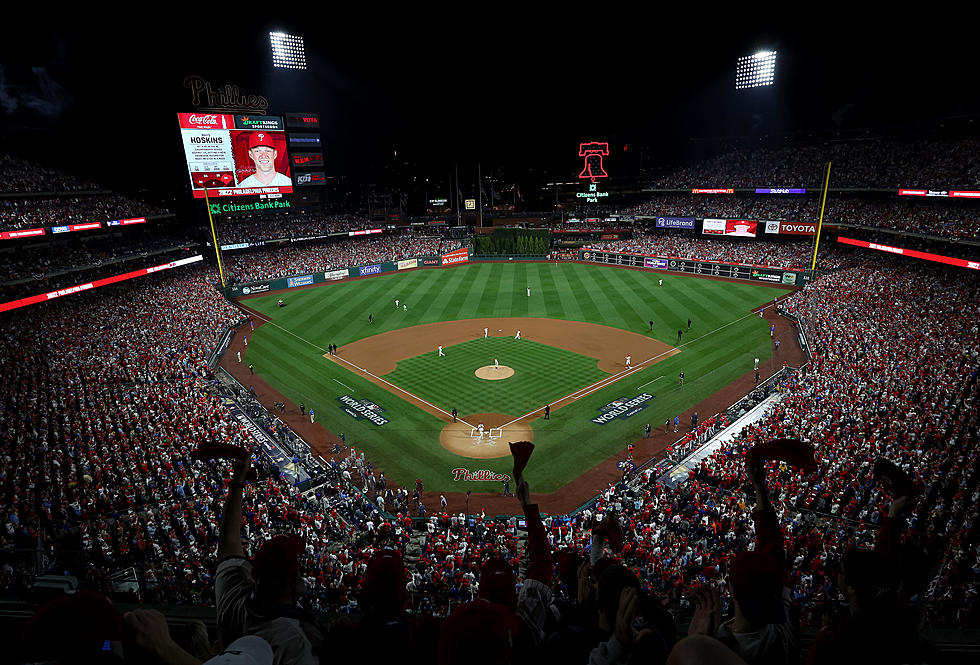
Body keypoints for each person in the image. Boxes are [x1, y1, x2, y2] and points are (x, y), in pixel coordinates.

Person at [215, 455, 322, 664]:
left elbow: (227, 541)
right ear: (289, 581)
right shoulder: (295, 640)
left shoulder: (233, 601)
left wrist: (237, 482)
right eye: (296, 570)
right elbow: (227, 541)